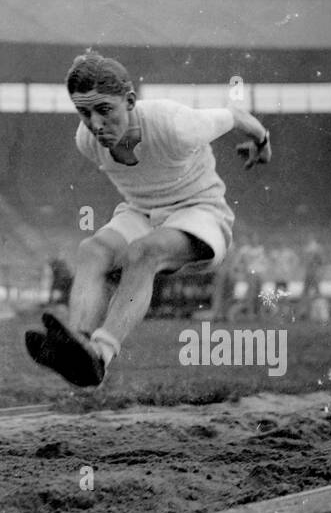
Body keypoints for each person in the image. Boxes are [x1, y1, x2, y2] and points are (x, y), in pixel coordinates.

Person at [25, 51, 272, 387]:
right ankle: (79, 346)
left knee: (142, 252)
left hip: (199, 211)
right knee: (91, 250)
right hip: (142, 212)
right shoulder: (87, 141)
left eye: (104, 110)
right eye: (84, 113)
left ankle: (101, 354)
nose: (95, 124)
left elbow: (234, 115)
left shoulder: (176, 125)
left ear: (129, 101)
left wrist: (261, 140)